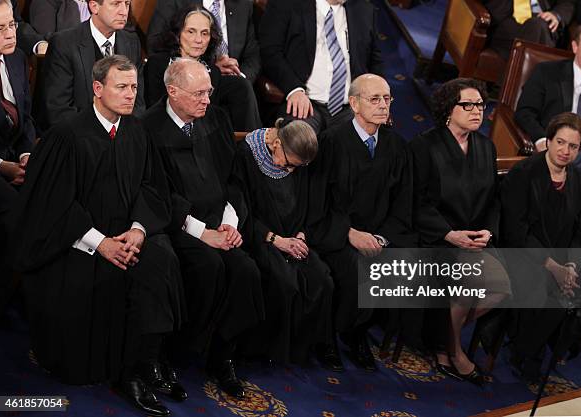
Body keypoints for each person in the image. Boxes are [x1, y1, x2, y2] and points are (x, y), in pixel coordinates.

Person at [7, 55, 186, 416]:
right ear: (97, 88)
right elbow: (52, 207)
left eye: (134, 87)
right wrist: (100, 242)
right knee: (110, 277)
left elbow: (151, 189)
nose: (130, 94)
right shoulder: (66, 136)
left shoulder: (137, 132)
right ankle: (125, 373)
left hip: (126, 236)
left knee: (160, 261)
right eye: (121, 86)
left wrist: (137, 231)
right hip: (74, 244)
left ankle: (144, 364)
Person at [141, 58, 264, 399]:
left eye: (209, 92)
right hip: (178, 226)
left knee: (247, 271)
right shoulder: (148, 127)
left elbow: (234, 180)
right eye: (198, 94)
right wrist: (200, 232)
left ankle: (221, 355)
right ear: (172, 91)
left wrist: (229, 223)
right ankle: (172, 351)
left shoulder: (217, 119)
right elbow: (158, 191)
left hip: (220, 221)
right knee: (207, 266)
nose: (206, 101)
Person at [308, 74, 416, 372]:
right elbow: (317, 202)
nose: (383, 105)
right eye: (375, 99)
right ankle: (328, 336)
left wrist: (381, 239)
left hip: (379, 236)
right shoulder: (331, 142)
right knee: (356, 267)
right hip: (337, 233)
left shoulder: (397, 148)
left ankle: (357, 333)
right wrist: (349, 233)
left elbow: (402, 205)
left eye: (387, 99)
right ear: (354, 103)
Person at [409, 78, 511, 386]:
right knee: (470, 281)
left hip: (475, 239)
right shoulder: (423, 146)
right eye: (467, 105)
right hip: (437, 238)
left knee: (501, 287)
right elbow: (416, 204)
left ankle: (441, 340)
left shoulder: (485, 146)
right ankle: (453, 352)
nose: (476, 111)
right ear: (447, 110)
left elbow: (494, 201)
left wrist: (487, 232)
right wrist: (450, 234)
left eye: (480, 105)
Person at [231, 118, 335, 367]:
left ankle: (303, 349)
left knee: (322, 278)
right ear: (276, 143)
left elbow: (310, 202)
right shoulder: (246, 155)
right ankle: (267, 350)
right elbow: (240, 208)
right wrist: (274, 239)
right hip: (260, 237)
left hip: (293, 235)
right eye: (288, 164)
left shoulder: (299, 159)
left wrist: (301, 234)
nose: (290, 171)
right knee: (284, 281)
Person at [500, 112, 581, 382]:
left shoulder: (580, 179)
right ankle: (526, 353)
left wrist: (572, 266)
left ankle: (540, 348)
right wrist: (553, 267)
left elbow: (580, 230)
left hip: (562, 259)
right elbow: (516, 232)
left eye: (573, 146)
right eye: (560, 142)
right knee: (544, 288)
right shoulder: (524, 173)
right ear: (548, 141)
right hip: (522, 254)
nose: (565, 151)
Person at [515, 22, 581, 248]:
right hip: (554, 157)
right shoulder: (548, 73)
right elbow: (524, 112)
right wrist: (542, 141)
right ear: (575, 46)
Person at [259, 0, 383, 134]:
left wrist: (375, 97)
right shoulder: (287, 4)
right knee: (299, 141)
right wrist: (294, 89)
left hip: (351, 107)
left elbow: (375, 60)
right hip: (306, 102)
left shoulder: (364, 10)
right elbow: (269, 51)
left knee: (365, 147)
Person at [145, 4, 260, 130]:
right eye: (191, 31)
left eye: (205, 33)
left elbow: (208, 118)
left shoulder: (213, 71)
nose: (198, 40)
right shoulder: (158, 64)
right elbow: (154, 112)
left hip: (203, 137)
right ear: (178, 34)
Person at [37, 0, 144, 130]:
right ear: (94, 7)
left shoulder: (132, 42)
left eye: (126, 4)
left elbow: (137, 102)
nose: (123, 12)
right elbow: (59, 109)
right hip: (78, 137)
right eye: (116, 4)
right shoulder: (64, 44)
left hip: (122, 137)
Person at [0, 0, 36, 317]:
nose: (11, 34)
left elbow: (27, 117)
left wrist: (26, 156)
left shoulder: (17, 59)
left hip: (15, 161)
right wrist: (5, 167)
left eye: (12, 25)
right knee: (16, 214)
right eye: (0, 28)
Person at [147, 0, 261, 82]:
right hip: (187, 83)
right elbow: (156, 48)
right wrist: (210, 70)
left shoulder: (244, 4)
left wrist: (239, 77)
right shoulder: (174, 2)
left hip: (233, 83)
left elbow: (253, 55)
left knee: (242, 90)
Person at [483, 0, 575, 60]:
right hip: (507, 22)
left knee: (537, 26)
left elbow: (568, 2)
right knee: (537, 28)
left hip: (544, 20)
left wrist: (556, 15)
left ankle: (509, 87)